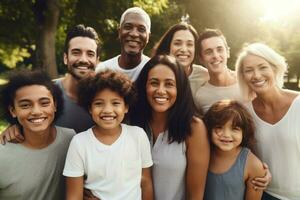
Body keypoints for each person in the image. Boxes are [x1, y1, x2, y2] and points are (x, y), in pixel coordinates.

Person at [0, 24, 100, 144]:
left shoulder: (105, 96)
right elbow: (25, 116)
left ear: (97, 60)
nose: (83, 59)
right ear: (65, 58)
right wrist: (14, 128)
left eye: (90, 54)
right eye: (76, 52)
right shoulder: (45, 92)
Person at [63, 70, 153, 200]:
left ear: (126, 107)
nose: (107, 110)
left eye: (115, 103)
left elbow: (146, 182)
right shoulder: (79, 143)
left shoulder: (138, 136)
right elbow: (73, 196)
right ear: (90, 108)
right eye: (99, 103)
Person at [130, 55, 210, 199]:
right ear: (144, 86)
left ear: (180, 88)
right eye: (154, 83)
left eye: (169, 84)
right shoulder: (130, 122)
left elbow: (195, 195)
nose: (161, 90)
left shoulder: (194, 128)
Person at [236, 42, 300, 200]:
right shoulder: (245, 113)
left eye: (262, 67)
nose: (256, 75)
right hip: (265, 194)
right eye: (249, 70)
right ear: (243, 76)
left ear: (275, 68)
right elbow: (245, 154)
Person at [0, 70, 75, 200]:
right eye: (25, 105)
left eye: (44, 103)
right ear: (13, 111)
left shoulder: (70, 139)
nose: (36, 111)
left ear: (55, 105)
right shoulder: (2, 154)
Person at [203, 100, 265, 200]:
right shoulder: (201, 154)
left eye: (235, 128)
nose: (226, 135)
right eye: (219, 127)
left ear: (244, 132)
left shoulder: (253, 165)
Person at [152, 22, 209, 102]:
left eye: (189, 44)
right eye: (177, 43)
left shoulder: (205, 76)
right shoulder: (153, 73)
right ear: (168, 47)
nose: (183, 49)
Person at [194, 28, 243, 113]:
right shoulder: (200, 96)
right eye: (208, 52)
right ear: (201, 59)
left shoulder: (245, 83)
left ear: (228, 52)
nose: (215, 56)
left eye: (219, 49)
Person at [95, 7, 151, 81]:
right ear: (119, 32)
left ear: (148, 36)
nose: (134, 34)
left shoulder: (152, 69)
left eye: (141, 29)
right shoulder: (103, 70)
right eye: (128, 27)